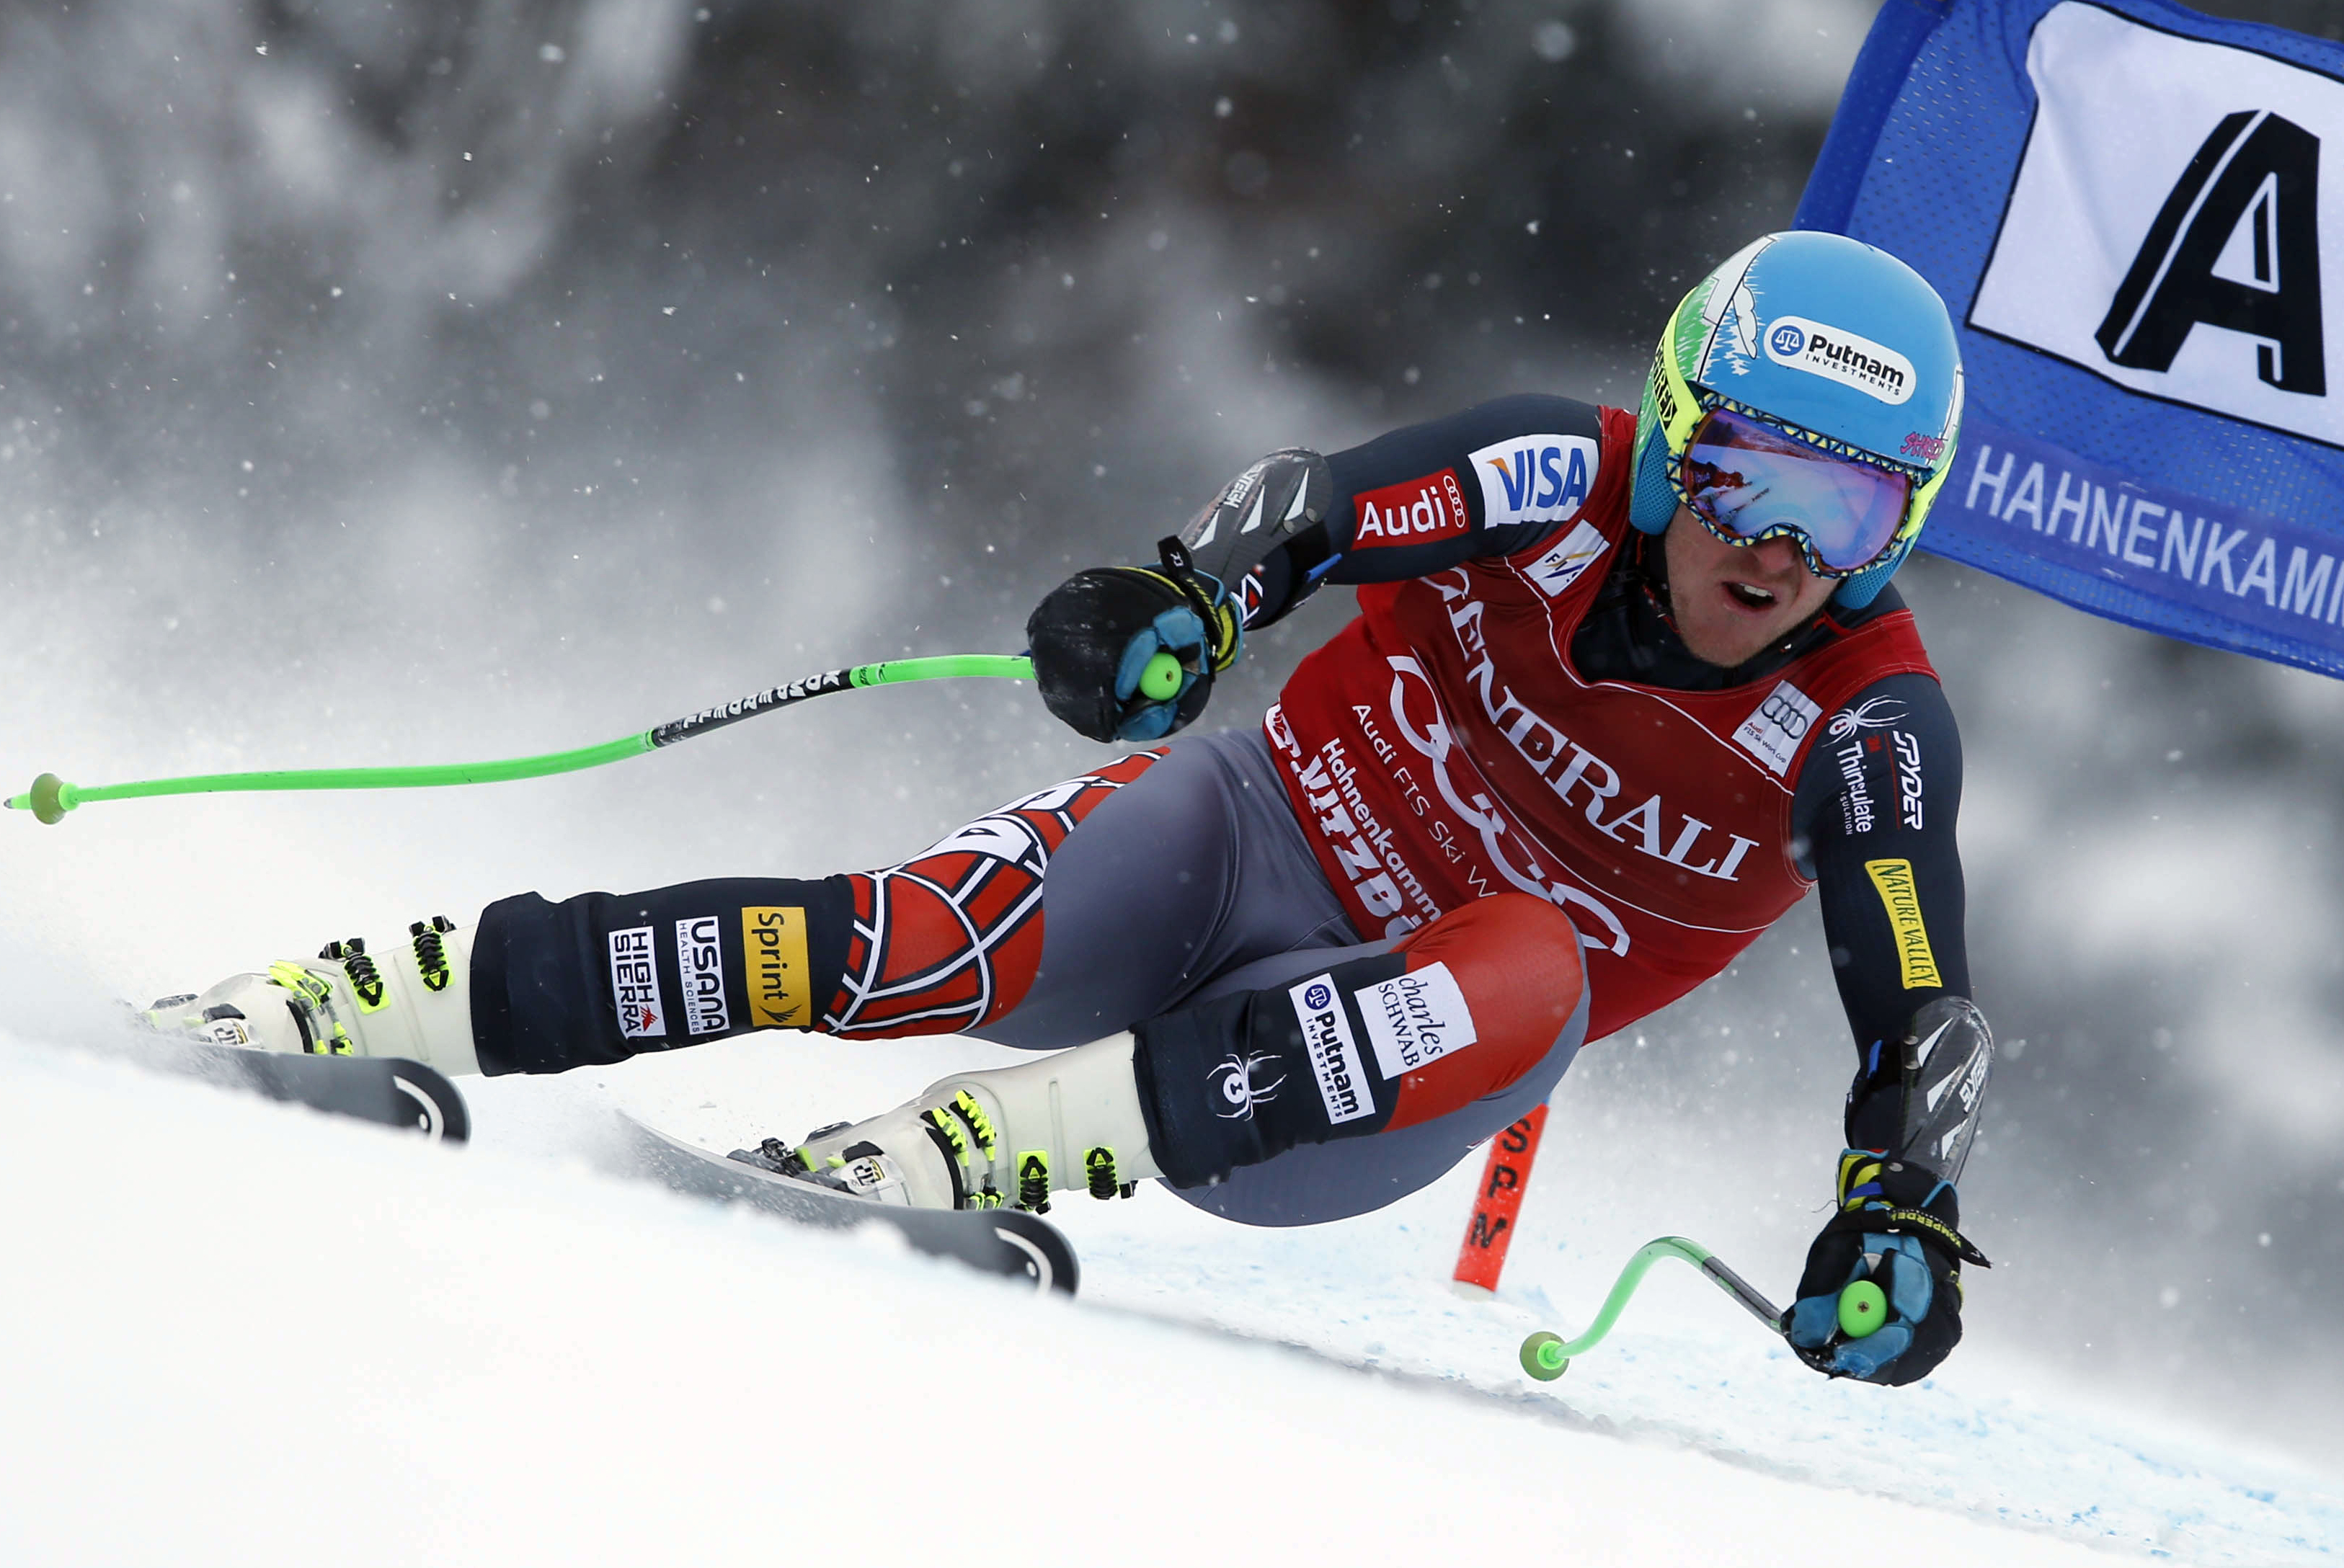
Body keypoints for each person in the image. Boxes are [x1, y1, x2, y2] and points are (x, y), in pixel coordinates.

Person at [158, 231, 1994, 1385]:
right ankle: (349, 997)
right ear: (1677, 437)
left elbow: (1917, 994)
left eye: (1839, 518)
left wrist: (1899, 1203)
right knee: (909, 935)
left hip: (1405, 1053)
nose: (1769, 551)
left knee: (1532, 962)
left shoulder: (1867, 714)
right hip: (1243, 844)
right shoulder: (1562, 474)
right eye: (1749, 477)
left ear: (1893, 534)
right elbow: (1313, 505)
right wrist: (1183, 600)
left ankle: (932, 1160)